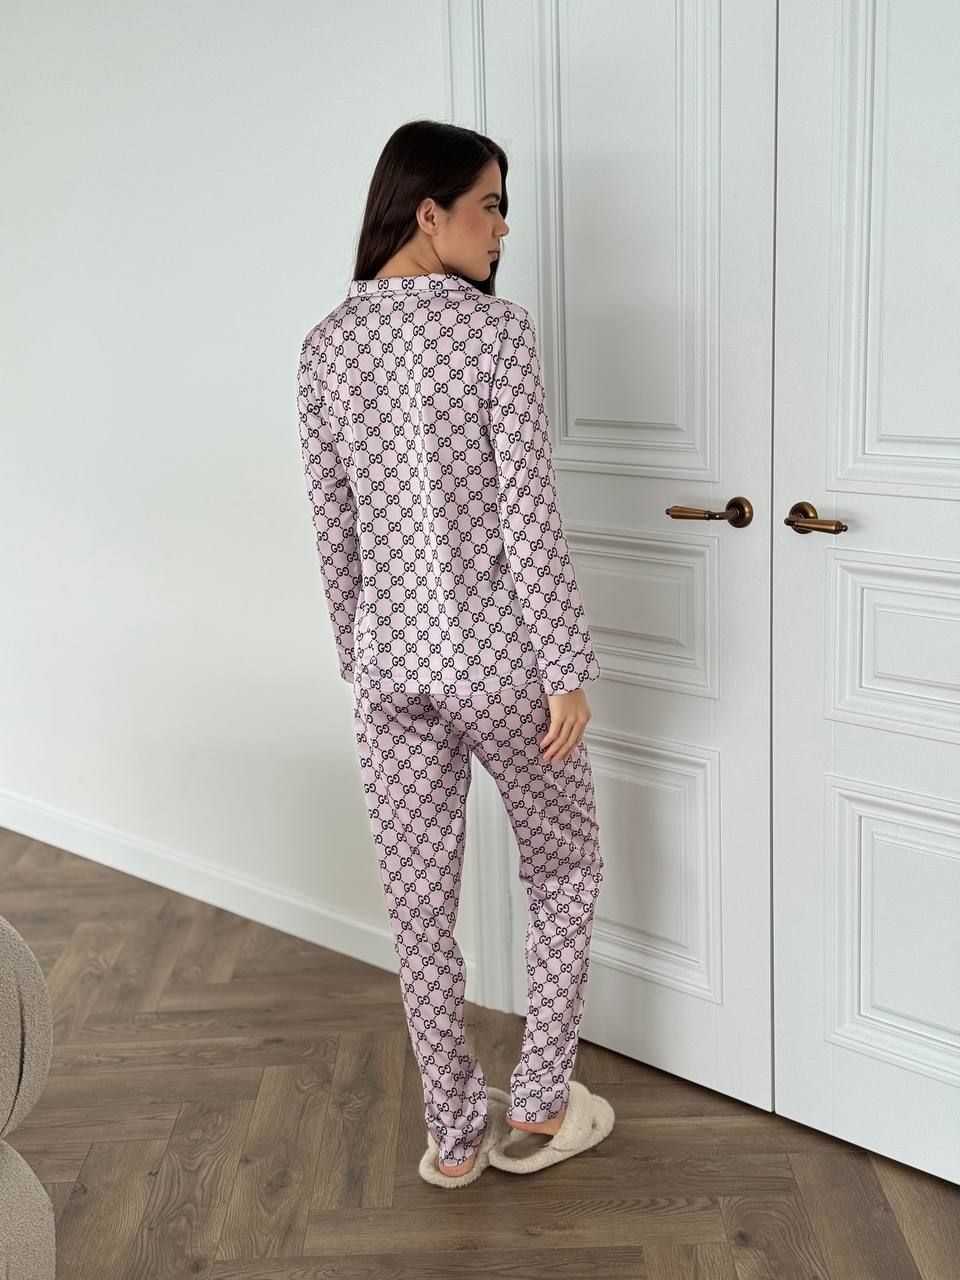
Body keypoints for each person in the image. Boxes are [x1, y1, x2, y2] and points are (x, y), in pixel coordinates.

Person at [296, 119, 604, 1179]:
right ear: (428, 213)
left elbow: (334, 528)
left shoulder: (325, 346)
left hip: (392, 667)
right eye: (490, 205)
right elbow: (528, 517)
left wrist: (363, 654)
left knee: (417, 906)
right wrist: (565, 668)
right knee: (566, 868)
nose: (504, 228)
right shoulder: (496, 334)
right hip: (501, 662)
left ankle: (455, 1136)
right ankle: (541, 1106)